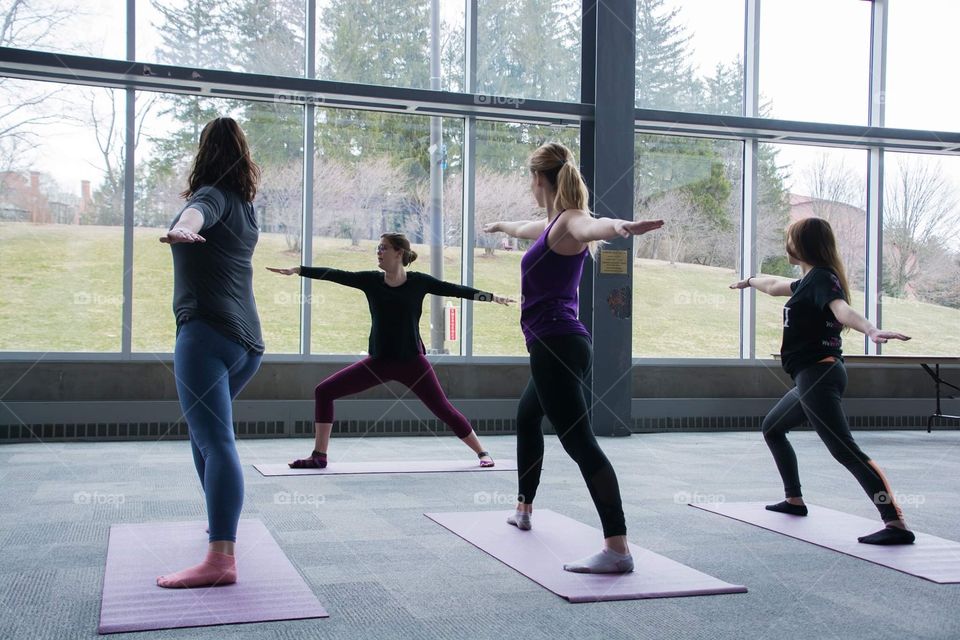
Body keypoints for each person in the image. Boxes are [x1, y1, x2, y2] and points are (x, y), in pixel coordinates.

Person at [483, 142, 663, 573]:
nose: (529, 185)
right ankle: (523, 508)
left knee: (580, 444)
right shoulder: (551, 226)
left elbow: (592, 226)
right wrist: (499, 224)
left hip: (555, 346)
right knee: (528, 416)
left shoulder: (569, 222)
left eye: (530, 178)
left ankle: (617, 549)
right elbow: (527, 227)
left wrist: (620, 227)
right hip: (560, 344)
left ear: (540, 179)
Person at [730, 217, 915, 545]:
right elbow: (774, 286)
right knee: (773, 428)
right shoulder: (809, 281)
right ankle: (794, 500)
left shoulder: (823, 280)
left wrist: (871, 330)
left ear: (802, 245)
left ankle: (895, 522)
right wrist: (748, 281)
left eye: (790, 238)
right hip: (810, 377)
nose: (786, 244)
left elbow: (842, 310)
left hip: (819, 375)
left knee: (844, 449)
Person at [268, 233, 512, 468]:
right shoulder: (370, 281)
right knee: (324, 391)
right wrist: (299, 270)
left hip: (412, 363)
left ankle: (483, 452)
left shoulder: (419, 282)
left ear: (399, 253)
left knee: (443, 409)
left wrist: (492, 297)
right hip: (378, 363)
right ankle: (319, 456)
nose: (378, 252)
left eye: (383, 247)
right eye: (378, 248)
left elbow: (456, 290)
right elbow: (335, 275)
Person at [157, 117, 265, 588]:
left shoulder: (212, 196)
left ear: (204, 151)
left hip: (206, 336)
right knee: (207, 438)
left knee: (216, 442)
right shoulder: (245, 207)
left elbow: (196, 213)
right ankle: (220, 526)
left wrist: (182, 228)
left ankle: (221, 559)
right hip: (248, 344)